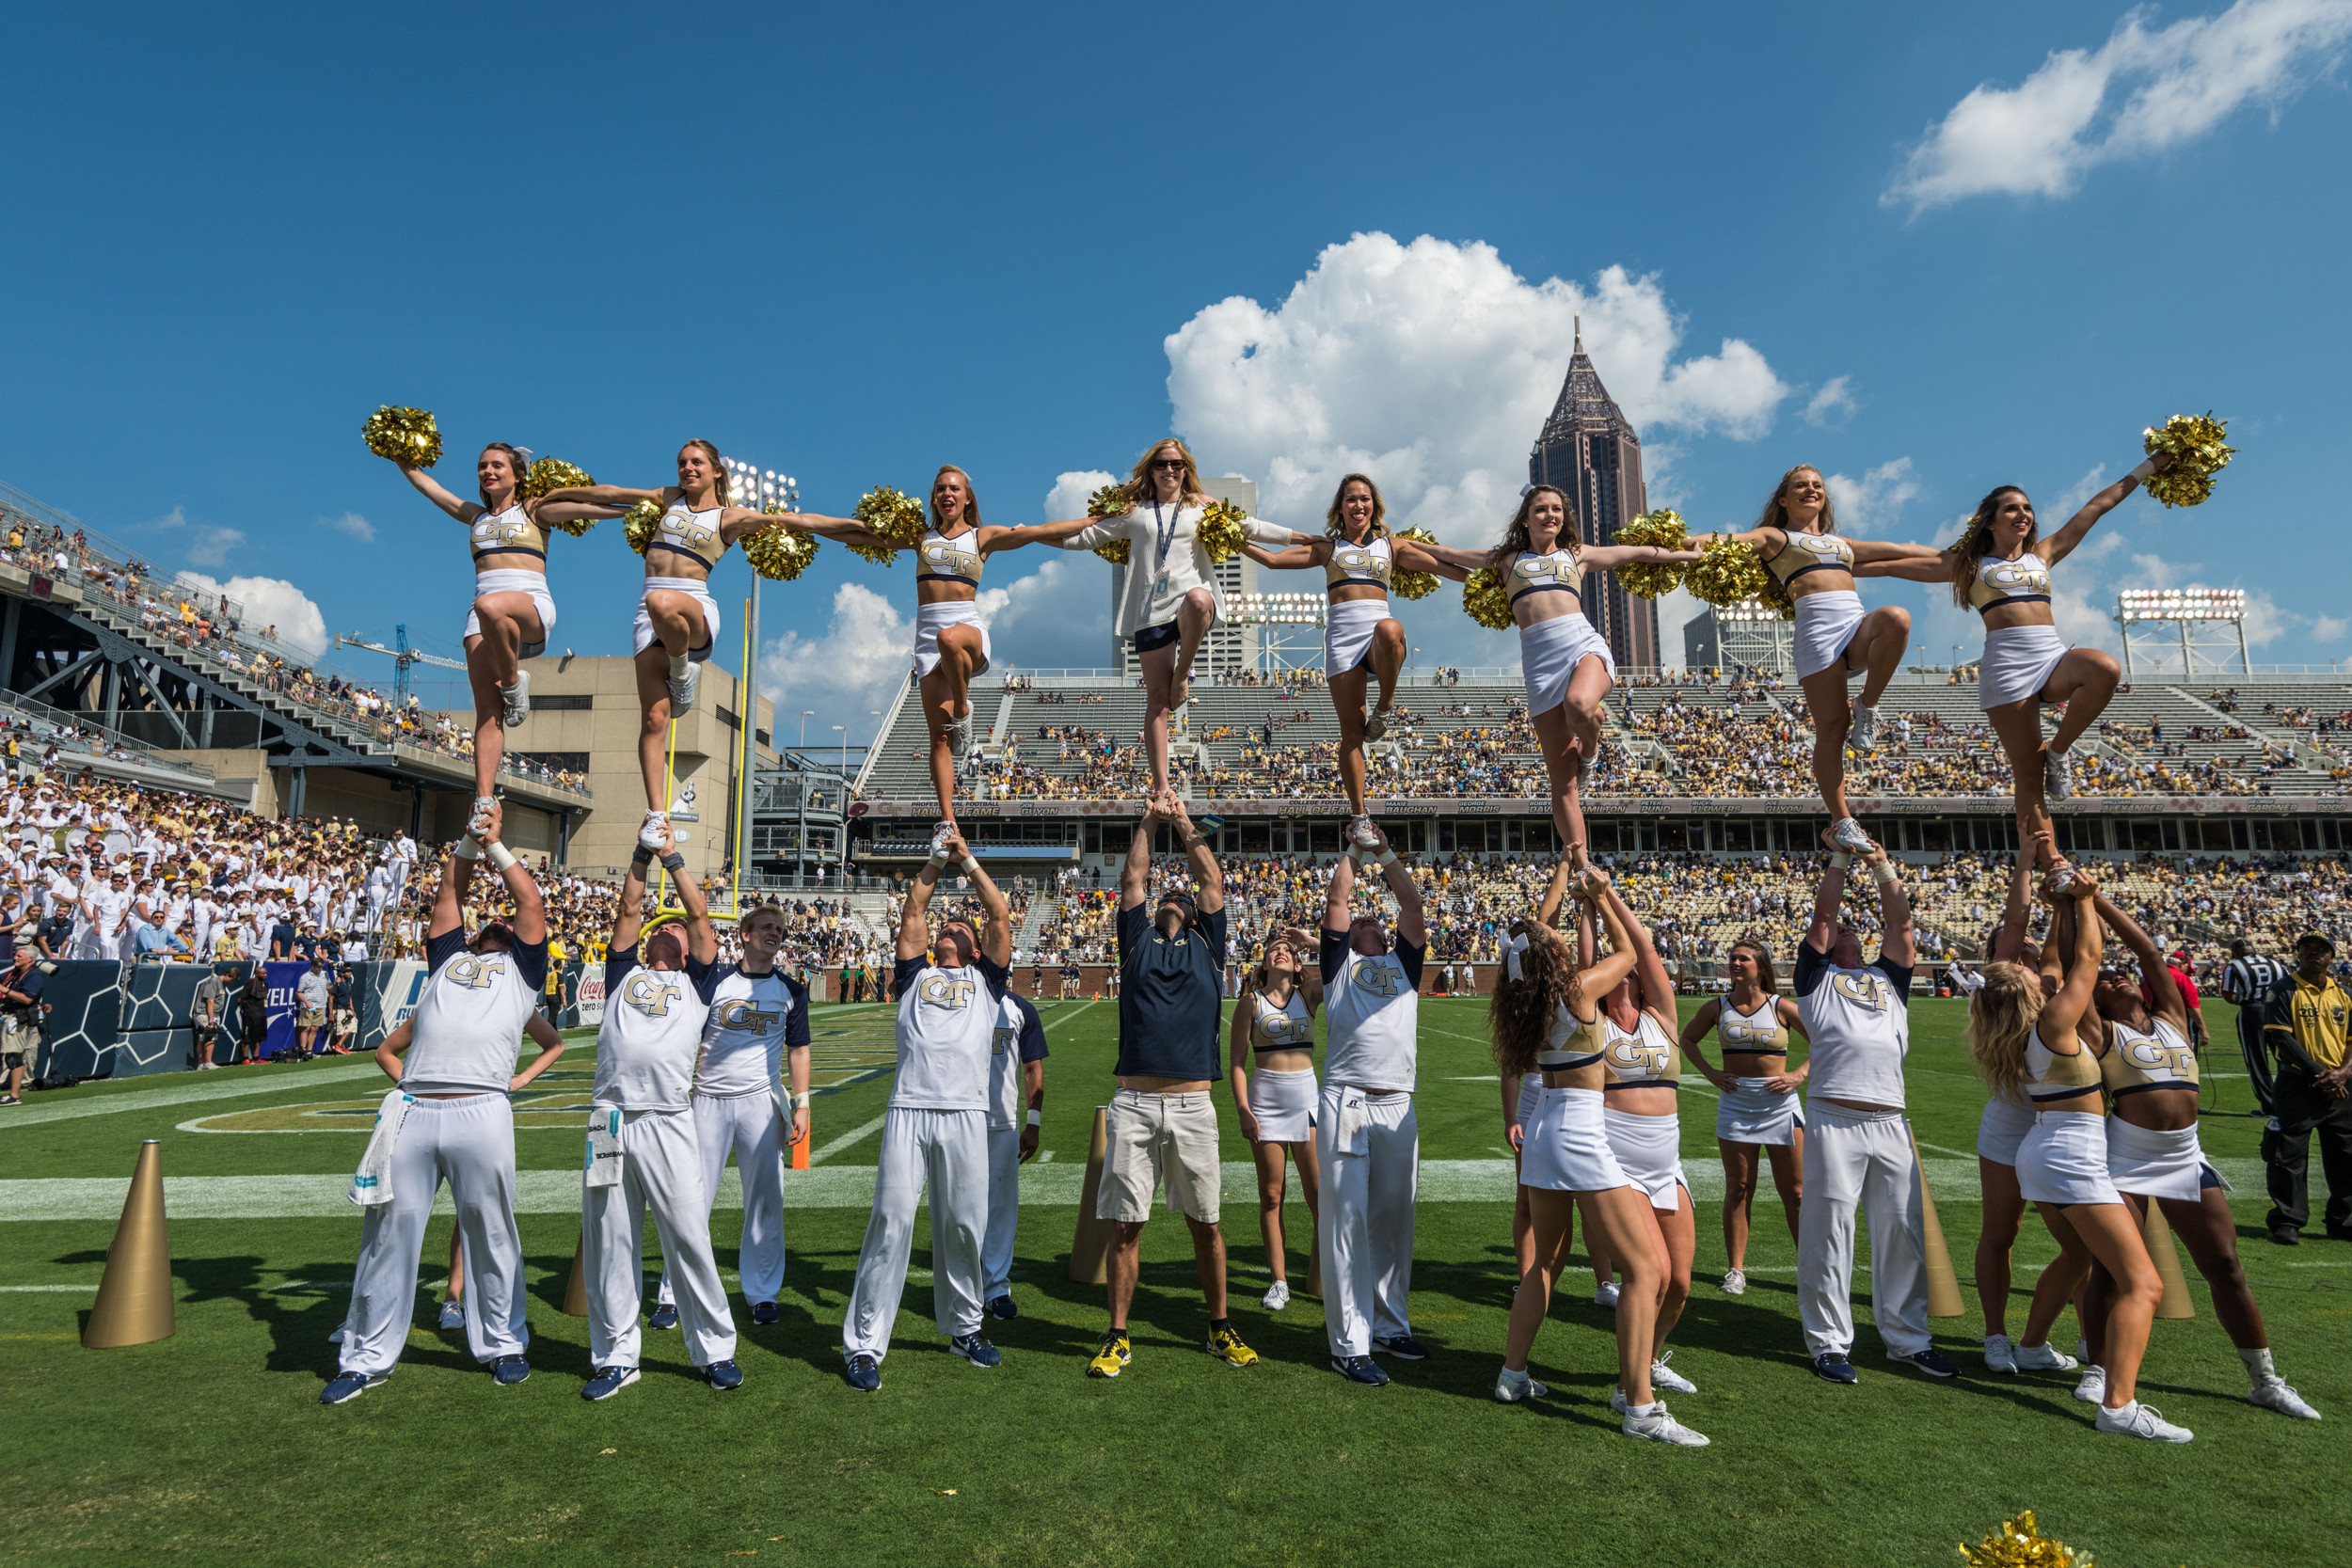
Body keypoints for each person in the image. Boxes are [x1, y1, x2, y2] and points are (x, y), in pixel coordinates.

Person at [321, 803, 564, 1404]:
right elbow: (446, 899)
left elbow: (530, 905)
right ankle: (366, 1354)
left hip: (481, 1108)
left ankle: (503, 1343)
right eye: (492, 931)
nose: (500, 933)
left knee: (491, 1230)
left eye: (506, 933)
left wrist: (499, 848)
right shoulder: (447, 961)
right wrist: (467, 840)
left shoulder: (522, 977)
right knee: (387, 1232)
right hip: (414, 1108)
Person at [1966, 873, 2188, 1442]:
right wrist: (2084, 901)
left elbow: (2057, 958)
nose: (2030, 965)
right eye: (2022, 970)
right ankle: (2118, 1404)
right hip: (2070, 1154)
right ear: (2023, 993)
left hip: (2046, 1151)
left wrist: (2061, 904)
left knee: (2080, 1257)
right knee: (2144, 1283)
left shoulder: (2027, 1028)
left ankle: (2035, 1344)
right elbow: (2087, 956)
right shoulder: (2054, 1023)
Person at [2087, 890, 2319, 1419]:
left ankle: (2265, 1379)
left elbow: (2147, 952)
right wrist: (2078, 910)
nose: (2116, 977)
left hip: (2186, 1157)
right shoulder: (2101, 1031)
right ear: (2095, 999)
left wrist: (2099, 901)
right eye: (2105, 979)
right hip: (2125, 1158)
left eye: (2120, 974)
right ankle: (2098, 1371)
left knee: (2226, 1266)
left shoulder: (2173, 1017)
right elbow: (2082, 970)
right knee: (2111, 1270)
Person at [1489, 866, 1701, 1445]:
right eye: (1555, 942)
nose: (1560, 941)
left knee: (1546, 1265)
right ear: (1552, 957)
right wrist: (1601, 899)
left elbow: (1535, 933)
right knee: (1645, 1270)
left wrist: (1563, 880)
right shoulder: (1578, 991)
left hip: (1544, 1133)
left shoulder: (1521, 997)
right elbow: (1631, 952)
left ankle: (1513, 1375)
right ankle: (1640, 1407)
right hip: (1582, 1133)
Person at [778, 467, 1096, 846]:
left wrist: (1098, 519)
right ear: (934, 498)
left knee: (950, 640)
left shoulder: (983, 537)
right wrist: (794, 522)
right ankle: (948, 820)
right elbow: (852, 529)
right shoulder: (920, 537)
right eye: (941, 489)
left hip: (967, 632)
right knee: (939, 740)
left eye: (955, 489)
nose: (948, 494)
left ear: (967, 498)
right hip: (925, 638)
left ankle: (964, 708)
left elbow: (1042, 531)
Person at [1871, 448, 2171, 838]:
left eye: (2027, 508)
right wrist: (1819, 566)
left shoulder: (2042, 556)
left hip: (2051, 658)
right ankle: (2050, 862)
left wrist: (2150, 467)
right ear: (1989, 522)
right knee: (2028, 779)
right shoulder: (1968, 565)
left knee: (2105, 668)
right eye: (2012, 508)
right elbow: (1890, 565)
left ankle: (2059, 750)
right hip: (2007, 671)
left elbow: (2098, 506)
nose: (2023, 514)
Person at [539, 442, 797, 849]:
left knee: (663, 601)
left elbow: (795, 521)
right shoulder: (668, 499)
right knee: (654, 721)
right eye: (681, 462)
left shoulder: (728, 517)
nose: (687, 468)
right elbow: (613, 493)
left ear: (716, 472)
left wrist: (860, 531)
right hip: (650, 614)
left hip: (692, 606)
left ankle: (682, 669)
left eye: (696, 462)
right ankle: (657, 814)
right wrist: (558, 494)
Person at [1089, 788, 1257, 1379]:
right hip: (1133, 1102)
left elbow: (1211, 881)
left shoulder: (1209, 948)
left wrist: (1183, 820)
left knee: (1206, 1223)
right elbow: (1133, 879)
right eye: (1169, 897)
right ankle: (1118, 1334)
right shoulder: (1135, 943)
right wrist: (1148, 820)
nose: (1173, 900)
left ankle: (1218, 1326)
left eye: (1181, 898)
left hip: (1192, 1103)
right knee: (1127, 1225)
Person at [841, 831, 1013, 1390]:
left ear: (973, 945)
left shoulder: (987, 980)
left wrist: (968, 860)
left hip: (966, 1111)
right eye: (948, 926)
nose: (952, 927)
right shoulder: (915, 973)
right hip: (910, 1109)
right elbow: (914, 908)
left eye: (961, 929)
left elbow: (999, 911)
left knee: (965, 1225)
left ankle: (966, 1327)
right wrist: (937, 859)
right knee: (891, 1221)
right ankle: (864, 1344)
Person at [577, 827, 743, 1401]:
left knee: (688, 1236)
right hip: (609, 1119)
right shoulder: (626, 972)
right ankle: (616, 1357)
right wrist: (640, 852)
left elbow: (700, 918)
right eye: (661, 926)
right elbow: (628, 907)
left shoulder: (699, 982)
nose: (670, 928)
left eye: (675, 927)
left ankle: (715, 1349)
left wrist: (673, 857)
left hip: (671, 1117)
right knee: (609, 1239)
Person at [1052, 441, 1311, 797]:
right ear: (1151, 469)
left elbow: (1253, 528)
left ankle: (1182, 674)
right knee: (1157, 701)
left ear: (1186, 468)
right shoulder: (1135, 511)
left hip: (1189, 604)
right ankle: (1161, 785)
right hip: (1150, 609)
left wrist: (1309, 538)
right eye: (1162, 463)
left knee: (1200, 599)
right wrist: (1027, 536)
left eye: (1176, 463)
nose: (1169, 469)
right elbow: (1087, 537)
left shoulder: (1202, 507)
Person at [1707, 466, 1942, 850]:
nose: (1810, 490)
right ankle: (1843, 819)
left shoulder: (1841, 543)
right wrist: (1662, 547)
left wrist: (1964, 556)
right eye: (1801, 485)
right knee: (1832, 730)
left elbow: (1904, 552)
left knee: (1897, 618)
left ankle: (1868, 704)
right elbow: (1720, 542)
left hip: (1854, 629)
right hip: (1816, 639)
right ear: (1783, 498)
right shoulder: (1774, 537)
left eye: (1817, 485)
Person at [1792, 832, 1955, 1385]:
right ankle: (1829, 1344)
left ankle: (1908, 1341)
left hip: (1890, 1120)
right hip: (1835, 1118)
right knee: (1830, 1230)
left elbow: (1902, 927)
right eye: (1840, 930)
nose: (1847, 930)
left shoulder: (1889, 979)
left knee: (1902, 1233)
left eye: (1853, 929)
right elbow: (1822, 913)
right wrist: (1840, 856)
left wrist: (1881, 864)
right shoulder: (1816, 980)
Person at [1241, 474, 1474, 847]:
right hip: (1342, 639)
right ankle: (1360, 814)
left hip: (1377, 636)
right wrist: (1231, 538)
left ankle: (1386, 704)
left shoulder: (1391, 546)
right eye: (1350, 499)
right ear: (1340, 507)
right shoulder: (1327, 548)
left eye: (1365, 499)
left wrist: (1488, 582)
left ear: (1374, 506)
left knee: (1390, 628)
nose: (1358, 505)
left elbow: (1442, 566)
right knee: (1351, 732)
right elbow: (1270, 560)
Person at [1489, 483, 1706, 850]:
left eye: (1556, 508)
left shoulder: (1577, 555)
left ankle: (1589, 749)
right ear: (1525, 519)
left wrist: (1684, 555)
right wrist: (1399, 549)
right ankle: (1582, 864)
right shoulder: (1508, 561)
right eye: (1541, 509)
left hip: (1582, 645)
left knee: (1579, 704)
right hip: (1539, 666)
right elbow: (1450, 556)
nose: (1550, 515)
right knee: (1564, 784)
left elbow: (1635, 552)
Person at [650, 903, 811, 1330]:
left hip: (761, 1102)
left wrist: (802, 1102)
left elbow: (798, 1049)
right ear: (743, 934)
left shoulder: (791, 989)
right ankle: (672, 1292)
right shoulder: (713, 982)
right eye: (764, 927)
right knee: (689, 1200)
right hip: (707, 1100)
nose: (773, 933)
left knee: (765, 1202)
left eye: (779, 928)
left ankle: (762, 1293)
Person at [1316, 824, 1431, 1385]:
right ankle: (1349, 1343)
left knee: (1393, 1219)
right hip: (1348, 1101)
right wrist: (1352, 850)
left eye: (1373, 919)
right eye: (1361, 921)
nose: (1368, 918)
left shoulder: (1404, 964)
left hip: (1397, 1105)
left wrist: (1384, 851)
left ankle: (1390, 1326)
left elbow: (1411, 906)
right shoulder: (1340, 966)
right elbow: (1339, 898)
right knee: (1347, 1222)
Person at [1969, 839, 2086, 1376]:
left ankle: (2090, 1334)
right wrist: (2022, 863)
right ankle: (1997, 1335)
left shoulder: (2052, 987)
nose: (2028, 947)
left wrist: (2061, 898)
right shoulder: (1996, 991)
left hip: (2055, 1128)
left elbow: (2062, 942)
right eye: (2017, 948)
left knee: (2081, 1239)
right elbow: (2016, 922)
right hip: (2011, 1128)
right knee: (2002, 1233)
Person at [1680, 937, 1806, 1296]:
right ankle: (1736, 1270)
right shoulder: (1717, 1007)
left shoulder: (1782, 1006)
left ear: (1760, 966)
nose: (1736, 963)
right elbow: (1687, 1040)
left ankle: (1808, 1267)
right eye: (1733, 958)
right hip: (1736, 1102)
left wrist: (1798, 1075)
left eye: (1744, 959)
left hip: (1780, 1104)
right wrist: (1711, 1074)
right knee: (1738, 1187)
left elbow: (1825, 1042)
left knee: (1796, 1191)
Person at [1228, 927, 1322, 1312]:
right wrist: (1243, 1109)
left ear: (1297, 963)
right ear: (1265, 963)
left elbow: (1344, 966)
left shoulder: (1309, 994)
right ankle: (1279, 1281)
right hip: (1265, 1104)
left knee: (1320, 1197)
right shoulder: (1250, 1003)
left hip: (1307, 1102)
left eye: (1287, 950)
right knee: (1271, 1196)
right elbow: (1236, 1062)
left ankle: (1334, 1273)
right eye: (1273, 950)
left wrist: (1309, 940)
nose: (1279, 952)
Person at [2262, 932, 2352, 1245]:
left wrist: (2343, 1073)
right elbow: (2282, 1040)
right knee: (2288, 1154)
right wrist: (2322, 1075)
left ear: (2331, 957)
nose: (2313, 954)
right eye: (2306, 949)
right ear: (2298, 954)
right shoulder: (2282, 991)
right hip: (2299, 1083)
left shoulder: (2345, 994)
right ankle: (2287, 1221)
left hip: (2341, 1087)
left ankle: (2344, 1221)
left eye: (2321, 950)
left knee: (2346, 1154)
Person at [981, 980, 1048, 1320]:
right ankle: (960, 1288)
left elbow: (1033, 1067)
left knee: (1002, 1209)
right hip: (958, 1119)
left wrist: (1033, 1122)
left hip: (1003, 1122)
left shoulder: (1020, 1008)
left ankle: (995, 1288)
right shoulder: (954, 998)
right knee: (957, 1208)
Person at [2217, 937, 2289, 1117]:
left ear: (2235, 952)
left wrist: (2244, 1001)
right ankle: (2290, 1099)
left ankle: (2269, 1105)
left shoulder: (2233, 967)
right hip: (2277, 1010)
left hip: (2252, 1010)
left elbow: (2229, 995)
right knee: (2285, 1055)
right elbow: (2289, 986)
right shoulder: (2275, 963)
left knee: (2256, 1058)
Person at [0, 945, 40, 1105]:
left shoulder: (34, 975)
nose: (15, 958)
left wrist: (4, 990)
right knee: (11, 1055)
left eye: (19, 956)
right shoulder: (16, 973)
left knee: (14, 1056)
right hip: (9, 1017)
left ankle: (14, 1095)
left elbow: (27, 999)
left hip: (18, 1019)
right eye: (15, 955)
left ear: (30, 959)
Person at [191, 962, 224, 1070]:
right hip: (205, 1014)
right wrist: (211, 1020)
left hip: (208, 1014)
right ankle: (207, 1063)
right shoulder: (212, 982)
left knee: (204, 1038)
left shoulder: (219, 983)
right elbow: (210, 1001)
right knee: (209, 1037)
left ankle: (202, 1064)